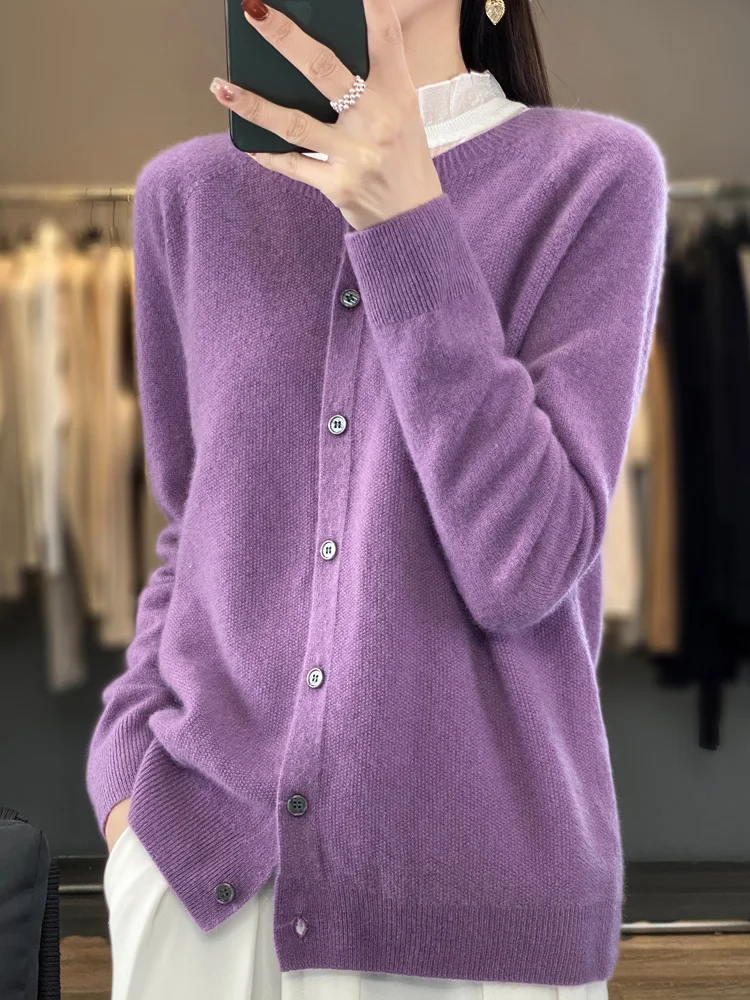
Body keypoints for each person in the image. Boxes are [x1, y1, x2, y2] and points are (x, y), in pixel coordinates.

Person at [85, 0, 668, 996]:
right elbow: (192, 529)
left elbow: (527, 566)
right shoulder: (188, 197)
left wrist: (406, 223)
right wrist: (126, 785)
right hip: (200, 892)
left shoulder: (595, 177)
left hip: (477, 916)